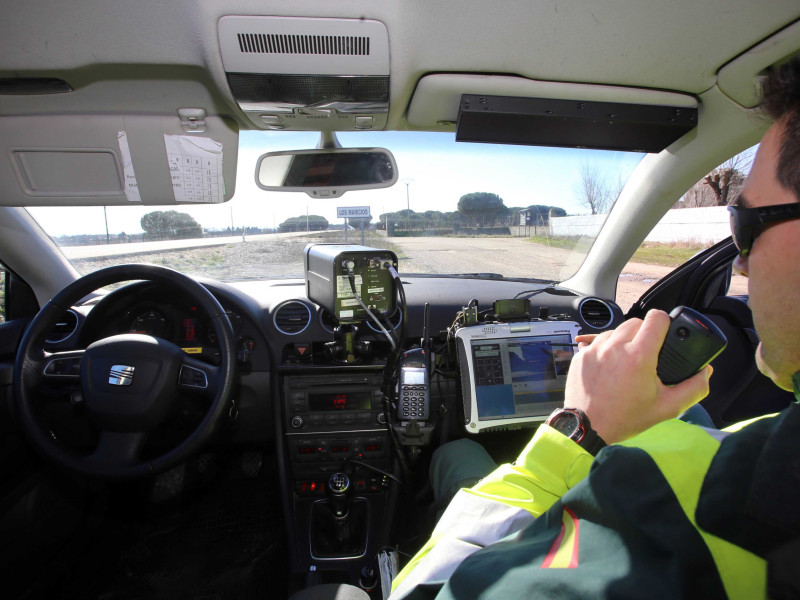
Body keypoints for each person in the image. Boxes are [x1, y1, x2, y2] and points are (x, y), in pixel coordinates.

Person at [389, 57, 800, 600]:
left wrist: (576, 431)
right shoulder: (750, 443)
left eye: (743, 226)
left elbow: (421, 590)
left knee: (449, 457)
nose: (739, 266)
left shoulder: (687, 496)